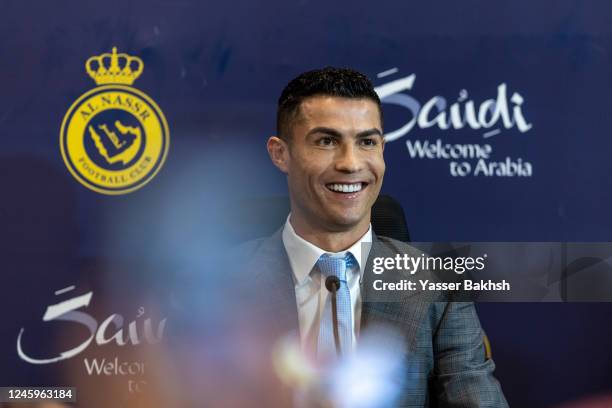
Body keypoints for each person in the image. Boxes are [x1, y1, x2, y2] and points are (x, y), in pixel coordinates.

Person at [239, 66, 508, 407]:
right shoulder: (217, 287)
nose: (351, 163)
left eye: (366, 142)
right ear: (280, 153)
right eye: (326, 141)